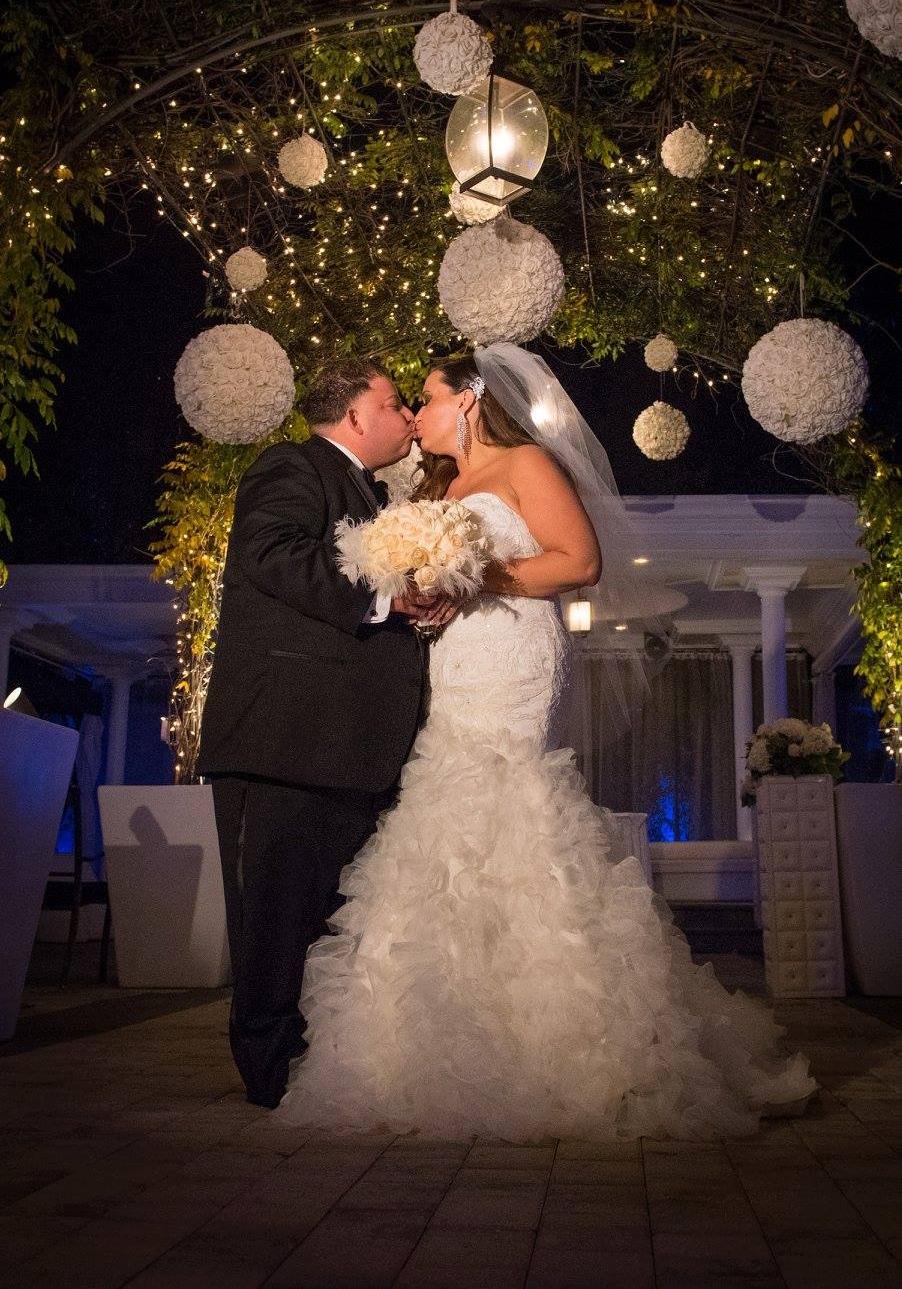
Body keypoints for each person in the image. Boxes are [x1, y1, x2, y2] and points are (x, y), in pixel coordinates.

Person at [276, 342, 818, 1142]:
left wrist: (475, 575)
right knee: (445, 816)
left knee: (514, 804)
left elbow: (581, 560)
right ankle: (440, 1039)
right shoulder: (434, 482)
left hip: (515, 659)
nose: (416, 414)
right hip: (451, 665)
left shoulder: (525, 462)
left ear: (467, 400)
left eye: (424, 397)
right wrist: (421, 587)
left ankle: (583, 1044)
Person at [198, 357, 451, 1109]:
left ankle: (319, 1067)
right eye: (393, 402)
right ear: (353, 416)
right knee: (273, 921)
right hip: (284, 741)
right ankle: (272, 1074)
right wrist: (389, 593)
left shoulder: (377, 493)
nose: (407, 415)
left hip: (350, 750)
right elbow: (271, 553)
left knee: (329, 919)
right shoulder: (292, 466)